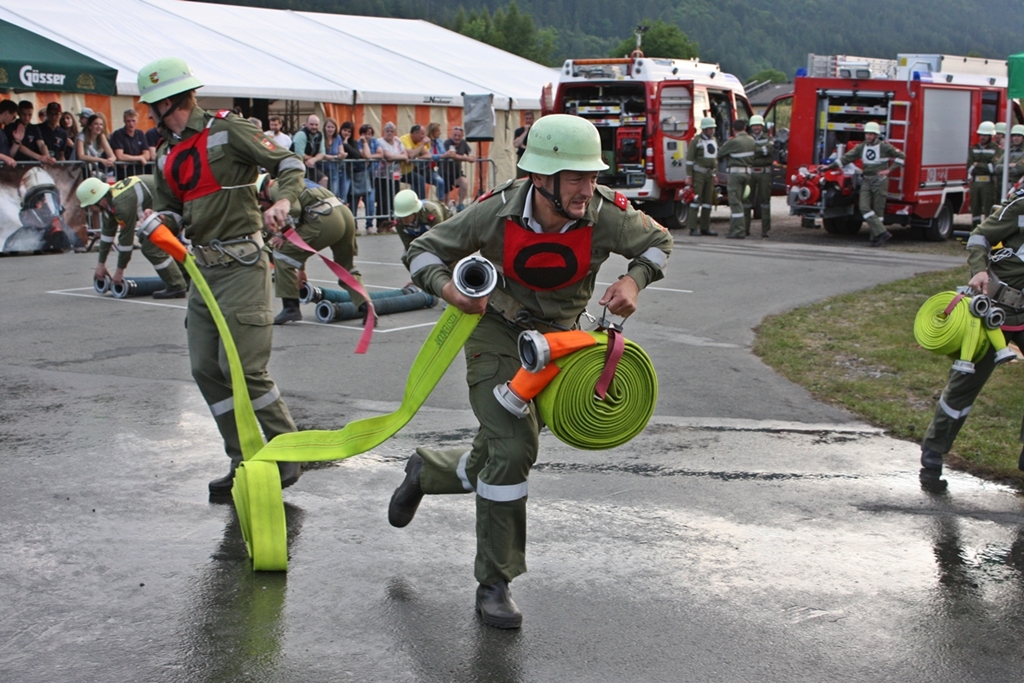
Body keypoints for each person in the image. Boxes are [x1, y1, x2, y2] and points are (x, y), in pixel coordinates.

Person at [391, 113, 673, 629]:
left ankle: (427, 470)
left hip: (563, 347)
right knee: (516, 448)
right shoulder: (495, 213)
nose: (588, 188)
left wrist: (635, 280)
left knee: (500, 452)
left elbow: (659, 242)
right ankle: (495, 582)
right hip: (496, 337)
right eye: (577, 178)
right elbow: (422, 249)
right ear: (541, 179)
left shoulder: (606, 212)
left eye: (592, 176)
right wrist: (448, 289)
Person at [137, 56, 305, 495]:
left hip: (242, 265)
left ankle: (286, 451)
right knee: (205, 368)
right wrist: (160, 224)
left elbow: (289, 165)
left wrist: (283, 203)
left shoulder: (229, 130)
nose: (147, 113)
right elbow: (173, 207)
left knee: (246, 370)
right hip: (202, 271)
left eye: (150, 105)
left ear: (166, 102)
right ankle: (242, 458)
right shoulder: (165, 153)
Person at [920, 182, 1024, 476]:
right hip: (995, 309)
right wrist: (979, 269)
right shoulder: (1020, 206)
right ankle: (934, 451)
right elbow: (980, 236)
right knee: (967, 382)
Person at [256, 174, 366, 325]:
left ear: (261, 194)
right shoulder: (289, 181)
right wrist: (300, 269)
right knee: (346, 268)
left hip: (326, 218)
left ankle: (290, 308)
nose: (263, 209)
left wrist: (284, 235)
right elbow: (295, 234)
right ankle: (366, 305)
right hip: (343, 214)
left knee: (281, 254)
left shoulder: (275, 190)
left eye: (260, 205)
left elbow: (294, 210)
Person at [77, 175, 188, 298]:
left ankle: (177, 285)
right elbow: (107, 235)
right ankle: (187, 277)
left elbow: (126, 242)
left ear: (99, 201)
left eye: (89, 206)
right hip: (168, 204)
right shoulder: (111, 200)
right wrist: (100, 265)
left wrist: (119, 272)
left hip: (173, 207)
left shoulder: (121, 205)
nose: (90, 210)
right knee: (148, 239)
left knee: (151, 247)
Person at [828, 121, 905, 247]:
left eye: (871, 134)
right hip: (867, 180)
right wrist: (828, 167)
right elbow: (846, 158)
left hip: (879, 181)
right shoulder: (861, 147)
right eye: (867, 134)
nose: (868, 136)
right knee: (864, 207)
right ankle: (883, 232)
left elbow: (901, 156)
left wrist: (889, 170)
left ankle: (875, 238)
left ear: (876, 135)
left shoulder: (885, 147)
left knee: (878, 211)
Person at [717, 119, 756, 239]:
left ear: (734, 130)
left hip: (735, 175)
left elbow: (720, 153)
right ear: (745, 128)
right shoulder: (751, 140)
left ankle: (738, 231)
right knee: (743, 202)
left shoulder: (734, 141)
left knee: (735, 203)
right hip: (748, 174)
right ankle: (735, 229)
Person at [684, 117, 718, 236]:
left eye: (712, 128)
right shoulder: (696, 141)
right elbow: (689, 160)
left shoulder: (714, 140)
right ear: (703, 129)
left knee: (708, 202)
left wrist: (714, 174)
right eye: (709, 128)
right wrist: (689, 176)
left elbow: (715, 159)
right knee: (695, 200)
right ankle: (693, 228)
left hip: (709, 175)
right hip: (698, 174)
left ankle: (705, 227)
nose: (711, 130)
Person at [392, 188, 448, 258]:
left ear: (415, 211)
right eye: (401, 216)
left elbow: (440, 240)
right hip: (422, 234)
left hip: (445, 228)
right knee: (406, 257)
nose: (403, 220)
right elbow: (408, 245)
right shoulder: (399, 223)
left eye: (406, 216)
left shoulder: (432, 214)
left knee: (447, 252)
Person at [375, 122, 407, 231]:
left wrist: (396, 157)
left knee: (394, 198)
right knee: (383, 200)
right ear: (384, 131)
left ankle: (391, 223)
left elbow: (405, 155)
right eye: (387, 131)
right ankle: (381, 223)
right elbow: (388, 156)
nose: (389, 133)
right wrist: (400, 157)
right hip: (382, 175)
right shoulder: (380, 141)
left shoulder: (398, 141)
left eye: (391, 131)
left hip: (396, 175)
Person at [968, 121, 999, 229]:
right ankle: (975, 230)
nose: (982, 137)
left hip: (988, 184)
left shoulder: (995, 149)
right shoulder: (974, 148)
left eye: (985, 135)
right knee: (975, 209)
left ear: (991, 136)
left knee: (988, 209)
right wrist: (983, 165)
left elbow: (993, 168)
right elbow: (970, 167)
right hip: (975, 183)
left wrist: (978, 164)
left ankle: (988, 231)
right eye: (981, 135)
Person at [747, 114, 774, 238]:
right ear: (751, 126)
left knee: (765, 201)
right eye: (754, 125)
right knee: (746, 200)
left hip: (764, 173)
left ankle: (765, 230)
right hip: (750, 172)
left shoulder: (768, 138)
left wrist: (753, 150)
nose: (756, 128)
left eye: (758, 125)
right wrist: (760, 150)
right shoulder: (747, 138)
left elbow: (768, 151)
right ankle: (745, 228)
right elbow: (747, 153)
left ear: (762, 126)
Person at [352, 124, 381, 234]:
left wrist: (369, 156)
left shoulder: (375, 141)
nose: (367, 136)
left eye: (369, 134)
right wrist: (364, 144)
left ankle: (369, 225)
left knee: (370, 201)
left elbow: (380, 153)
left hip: (371, 176)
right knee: (354, 202)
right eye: (364, 134)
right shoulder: (357, 143)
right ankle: (354, 226)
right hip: (358, 176)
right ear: (361, 134)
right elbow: (367, 155)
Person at [442, 125, 476, 212]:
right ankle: (445, 210)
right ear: (451, 134)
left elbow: (470, 153)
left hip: (457, 173)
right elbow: (453, 155)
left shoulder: (463, 143)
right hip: (444, 173)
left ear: (462, 136)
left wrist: (471, 156)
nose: (457, 137)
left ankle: (460, 204)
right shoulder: (447, 143)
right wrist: (467, 158)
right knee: (445, 196)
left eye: (459, 136)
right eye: (455, 135)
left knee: (464, 182)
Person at [109, 109, 151, 179]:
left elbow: (147, 155)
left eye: (133, 121)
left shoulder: (140, 133)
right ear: (124, 121)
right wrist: (139, 158)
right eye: (128, 121)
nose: (131, 124)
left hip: (138, 174)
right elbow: (120, 156)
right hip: (123, 175)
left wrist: (128, 159)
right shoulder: (118, 134)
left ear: (137, 121)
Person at [10, 100, 52, 165]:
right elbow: (20, 147)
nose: (27, 118)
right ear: (19, 113)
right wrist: (39, 157)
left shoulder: (34, 128)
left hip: (30, 164)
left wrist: (47, 157)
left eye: (30, 115)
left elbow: (41, 144)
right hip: (15, 163)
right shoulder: (11, 127)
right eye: (24, 114)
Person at [76, 114, 116, 179]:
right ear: (90, 126)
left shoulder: (101, 136)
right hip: (80, 171)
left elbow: (112, 155)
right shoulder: (82, 136)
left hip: (94, 170)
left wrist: (110, 161)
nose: (99, 126)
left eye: (101, 124)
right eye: (96, 124)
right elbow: (81, 156)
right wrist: (101, 160)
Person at [292, 114, 326, 186]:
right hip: (295, 166)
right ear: (306, 124)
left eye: (316, 125)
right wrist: (313, 158)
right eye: (311, 124)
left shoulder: (320, 135)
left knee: (324, 179)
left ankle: (322, 197)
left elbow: (322, 153)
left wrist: (313, 160)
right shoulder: (301, 134)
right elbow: (299, 154)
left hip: (309, 166)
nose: (314, 127)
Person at [398, 124, 430, 199]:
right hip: (397, 171)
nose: (424, 136)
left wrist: (415, 158)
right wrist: (422, 145)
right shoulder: (405, 138)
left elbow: (428, 155)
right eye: (422, 134)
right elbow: (411, 154)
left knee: (420, 180)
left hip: (408, 171)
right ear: (415, 133)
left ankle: (421, 204)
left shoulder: (419, 141)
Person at [321, 117, 346, 200]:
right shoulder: (321, 137)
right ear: (324, 127)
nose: (330, 129)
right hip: (321, 169)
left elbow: (341, 151)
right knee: (323, 194)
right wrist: (336, 157)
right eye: (328, 127)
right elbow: (322, 154)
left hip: (334, 170)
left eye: (332, 127)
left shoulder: (338, 138)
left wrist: (342, 155)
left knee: (333, 194)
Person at [424, 122, 449, 203]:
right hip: (421, 168)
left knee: (440, 182)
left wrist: (443, 155)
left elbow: (443, 153)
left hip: (430, 169)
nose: (440, 132)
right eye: (438, 131)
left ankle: (440, 203)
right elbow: (429, 155)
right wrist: (441, 156)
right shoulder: (425, 141)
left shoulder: (439, 141)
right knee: (419, 186)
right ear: (432, 131)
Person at [339, 121, 361, 206]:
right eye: (345, 130)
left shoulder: (353, 142)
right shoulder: (336, 140)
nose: (346, 133)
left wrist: (346, 144)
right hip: (335, 171)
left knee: (344, 196)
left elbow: (357, 155)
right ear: (341, 130)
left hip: (346, 172)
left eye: (349, 131)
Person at [512, 110, 533, 178]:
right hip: (521, 157)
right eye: (527, 118)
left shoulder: (536, 131)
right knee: (521, 177)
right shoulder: (519, 131)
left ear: (533, 119)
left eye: (530, 118)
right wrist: (525, 131)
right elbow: (516, 144)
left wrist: (523, 146)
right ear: (524, 119)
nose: (528, 120)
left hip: (532, 157)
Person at [0, 100, 21, 166]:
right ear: (6, 113)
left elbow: (8, 154)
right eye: (13, 116)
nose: (13, 120)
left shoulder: (2, 130)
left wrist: (17, 141)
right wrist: (5, 158)